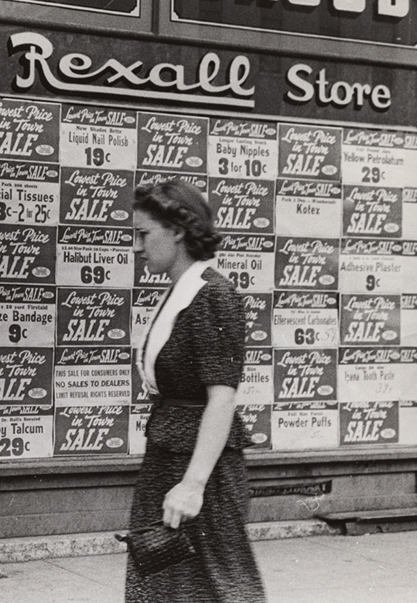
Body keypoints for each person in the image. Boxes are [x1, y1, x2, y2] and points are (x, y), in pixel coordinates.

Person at [127, 179, 266, 602]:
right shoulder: (180, 291)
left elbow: (222, 397)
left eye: (143, 234)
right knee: (165, 586)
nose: (136, 247)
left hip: (199, 469)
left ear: (178, 231)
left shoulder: (212, 296)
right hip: (169, 455)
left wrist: (193, 484)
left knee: (218, 587)